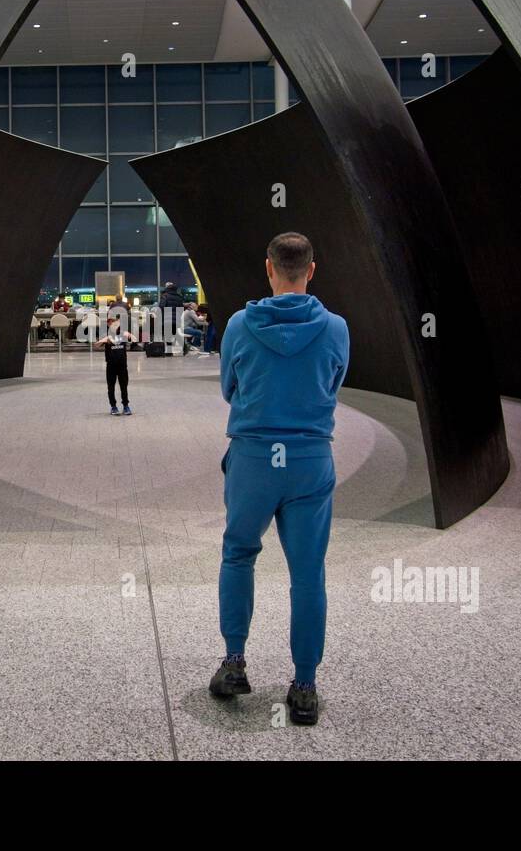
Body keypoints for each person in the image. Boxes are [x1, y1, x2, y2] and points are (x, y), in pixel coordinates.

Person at [209, 232, 349, 726]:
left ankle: (234, 664)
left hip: (253, 459)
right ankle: (305, 687)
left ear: (268, 268)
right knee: (308, 572)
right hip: (311, 460)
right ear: (312, 270)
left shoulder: (239, 326)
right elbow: (333, 384)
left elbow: (230, 387)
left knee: (239, 554)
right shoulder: (336, 328)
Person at [95, 314, 133, 416]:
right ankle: (113, 406)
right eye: (110, 322)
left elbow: (133, 338)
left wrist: (129, 335)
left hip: (122, 365)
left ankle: (126, 406)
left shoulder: (123, 332)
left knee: (123, 386)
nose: (112, 324)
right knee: (111, 387)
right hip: (111, 365)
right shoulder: (105, 334)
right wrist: (105, 340)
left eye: (114, 322)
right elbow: (96, 345)